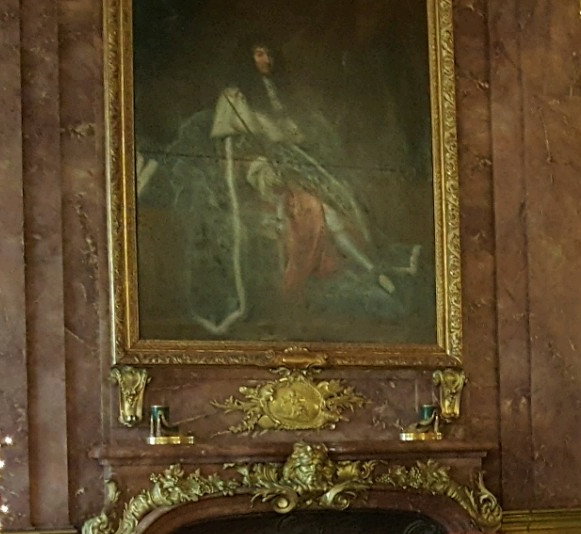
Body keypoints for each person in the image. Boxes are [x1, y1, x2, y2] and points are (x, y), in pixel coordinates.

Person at [141, 41, 418, 338]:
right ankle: (368, 271)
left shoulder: (280, 96)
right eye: (259, 54)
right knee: (312, 206)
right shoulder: (234, 97)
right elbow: (233, 150)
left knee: (339, 200)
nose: (266, 60)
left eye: (269, 54)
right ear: (247, 58)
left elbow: (294, 140)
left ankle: (371, 267)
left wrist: (292, 157)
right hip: (256, 177)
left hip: (291, 170)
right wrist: (263, 171)